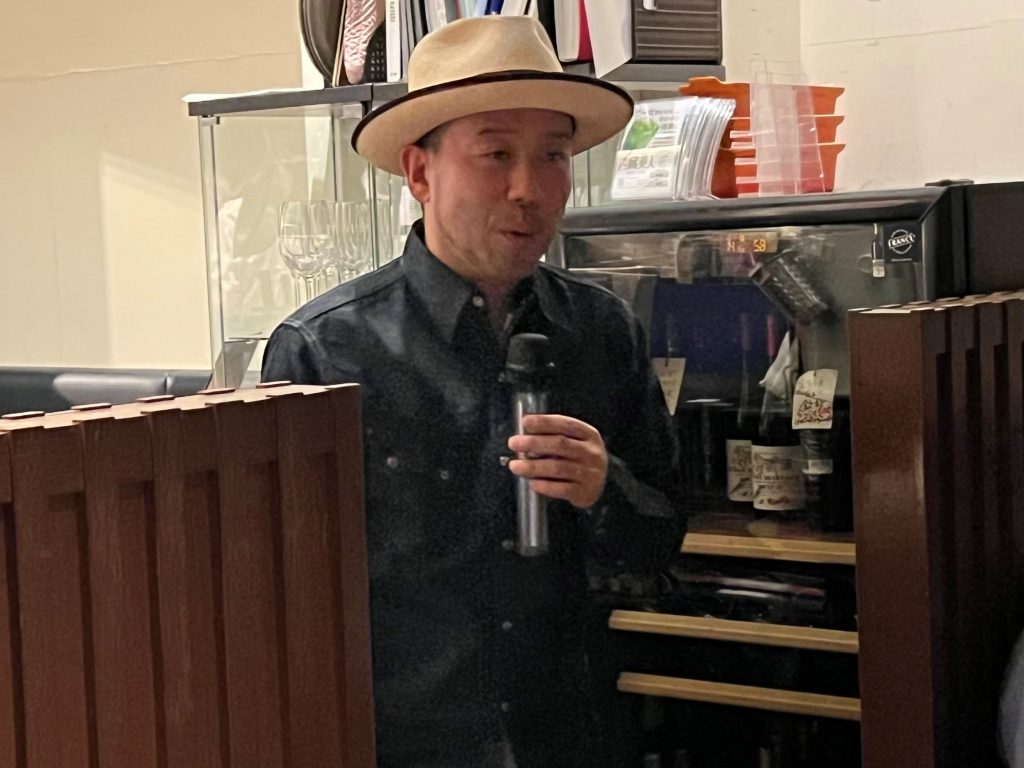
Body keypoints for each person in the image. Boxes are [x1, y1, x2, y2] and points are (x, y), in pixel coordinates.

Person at [262, 14, 683, 768]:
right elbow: (283, 599)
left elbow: (662, 539)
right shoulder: (326, 350)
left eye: (553, 156)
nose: (529, 189)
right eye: (496, 154)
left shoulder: (603, 330)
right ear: (420, 173)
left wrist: (604, 488)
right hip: (404, 742)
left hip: (570, 733)